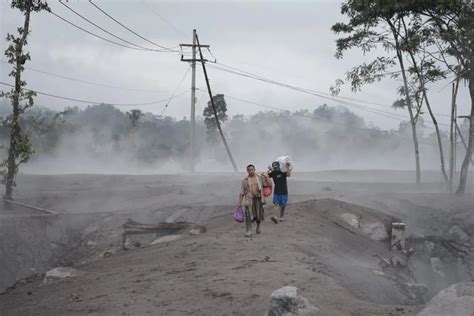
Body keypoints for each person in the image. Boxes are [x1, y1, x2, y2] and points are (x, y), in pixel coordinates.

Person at [238, 164, 264, 237]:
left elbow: (265, 186)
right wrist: (239, 202)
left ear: (254, 170)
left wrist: (265, 176)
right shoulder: (245, 180)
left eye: (252, 169)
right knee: (248, 215)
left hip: (258, 198)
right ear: (247, 171)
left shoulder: (259, 178)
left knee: (258, 215)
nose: (251, 171)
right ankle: (248, 230)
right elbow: (241, 192)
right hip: (249, 200)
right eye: (249, 170)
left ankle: (258, 226)